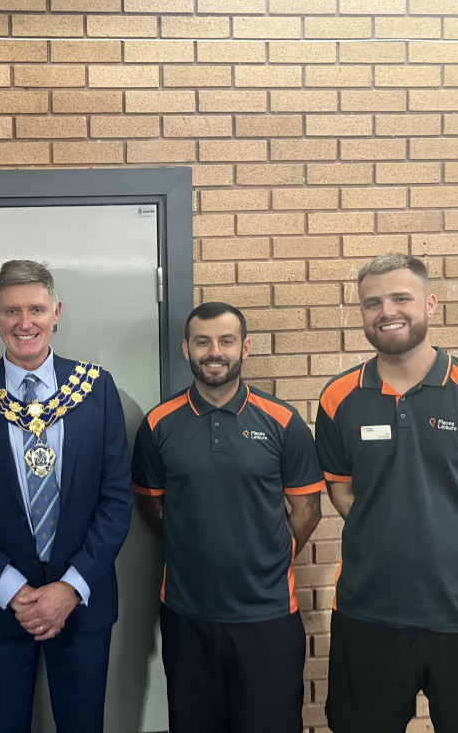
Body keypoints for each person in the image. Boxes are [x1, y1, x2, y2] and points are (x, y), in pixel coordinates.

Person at [315, 252, 458, 733]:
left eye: (401, 298)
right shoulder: (338, 398)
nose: (387, 311)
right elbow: (342, 491)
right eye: (373, 303)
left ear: (430, 304)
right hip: (368, 610)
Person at [0, 259, 133, 733]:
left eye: (36, 310)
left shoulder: (96, 388)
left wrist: (69, 587)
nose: (25, 323)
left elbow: (116, 501)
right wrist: (14, 590)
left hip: (82, 601)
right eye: (11, 311)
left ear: (56, 312)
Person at [131, 302, 324, 733]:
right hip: (187, 614)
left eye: (225, 341)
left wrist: (271, 555)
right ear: (186, 348)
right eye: (202, 341)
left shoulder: (284, 422)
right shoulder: (159, 424)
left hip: (269, 616)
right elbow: (151, 506)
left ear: (245, 348)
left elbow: (308, 511)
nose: (213, 351)